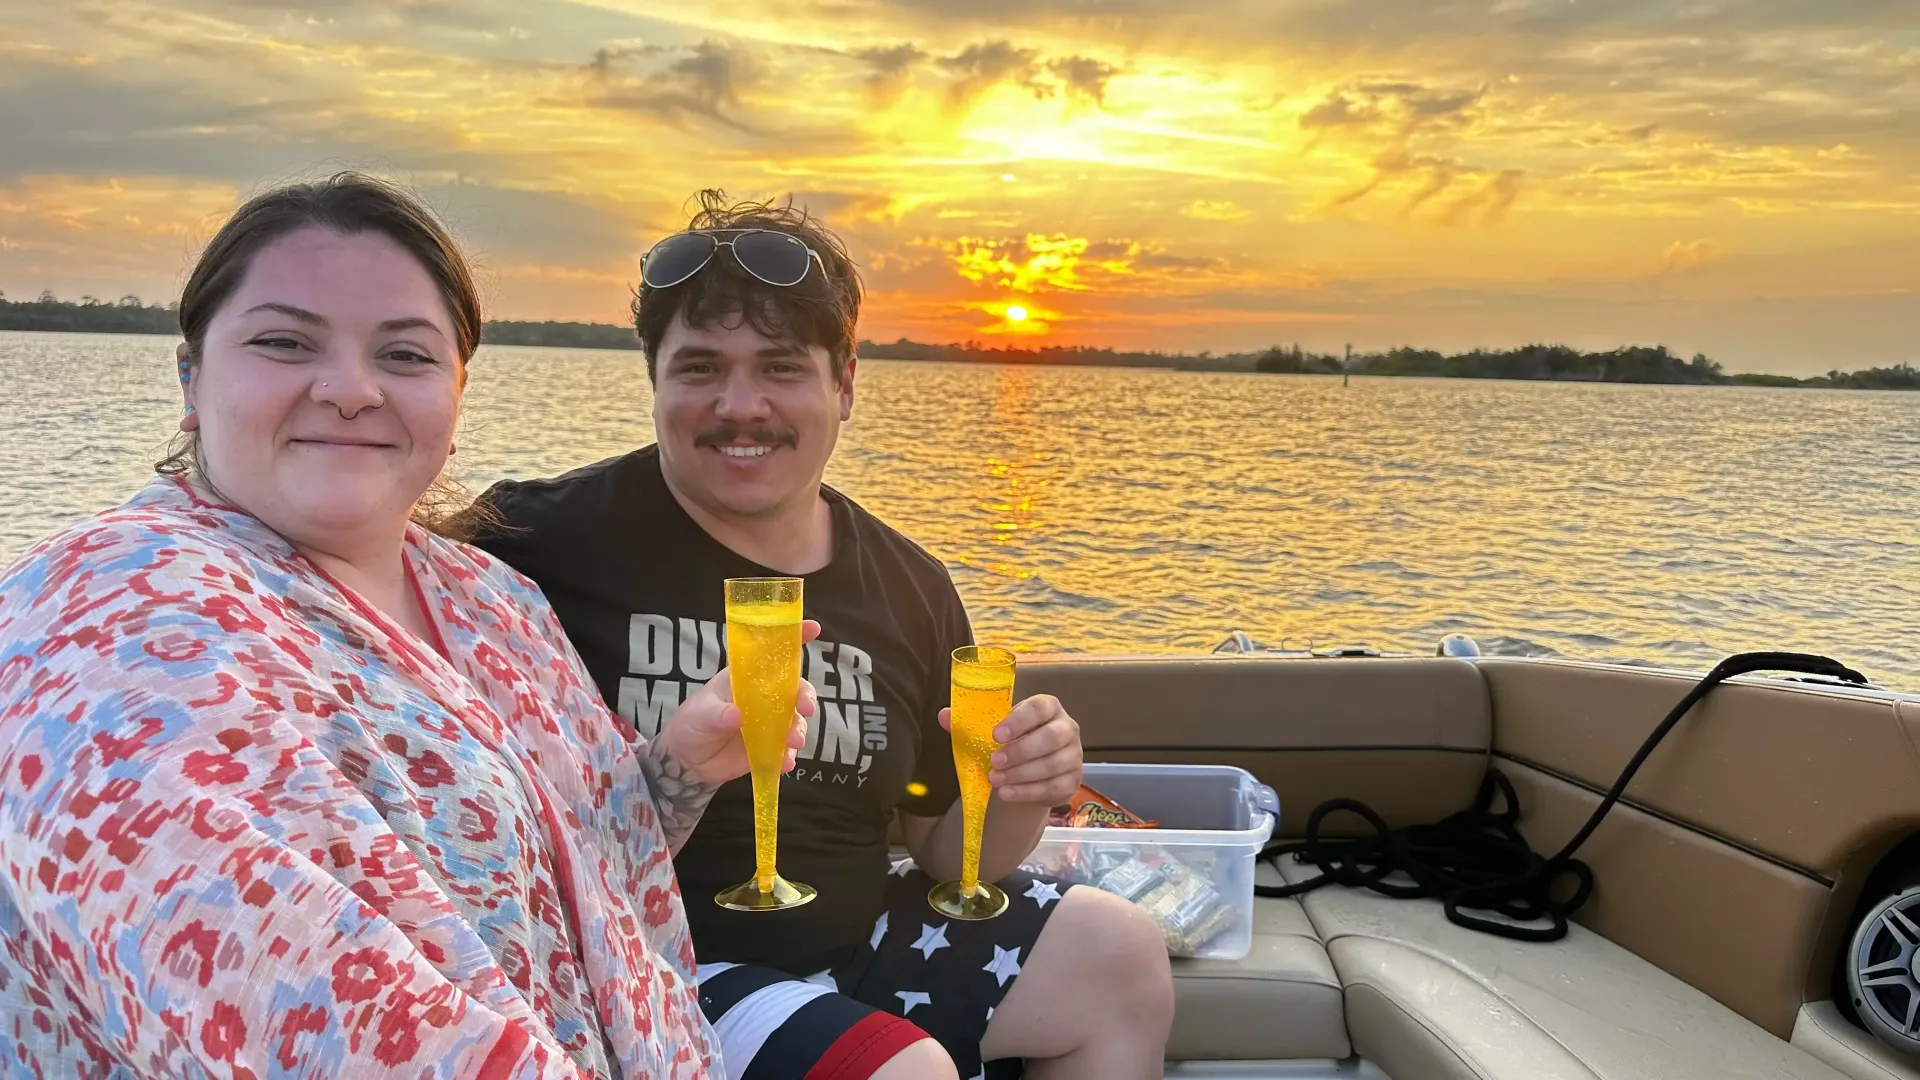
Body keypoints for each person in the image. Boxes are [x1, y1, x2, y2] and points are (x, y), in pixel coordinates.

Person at [0, 173, 814, 1078]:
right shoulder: (113, 615)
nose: (351, 389)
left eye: (406, 356)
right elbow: (315, 1017)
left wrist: (680, 769)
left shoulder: (492, 601)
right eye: (283, 341)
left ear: (457, 397)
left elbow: (567, 876)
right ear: (192, 378)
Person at [468, 192, 1175, 1080]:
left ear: (845, 383)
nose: (740, 404)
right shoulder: (528, 545)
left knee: (1120, 954)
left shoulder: (909, 585)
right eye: (698, 368)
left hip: (855, 939)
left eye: (781, 366)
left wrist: (1024, 788)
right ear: (653, 380)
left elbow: (939, 849)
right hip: (644, 973)